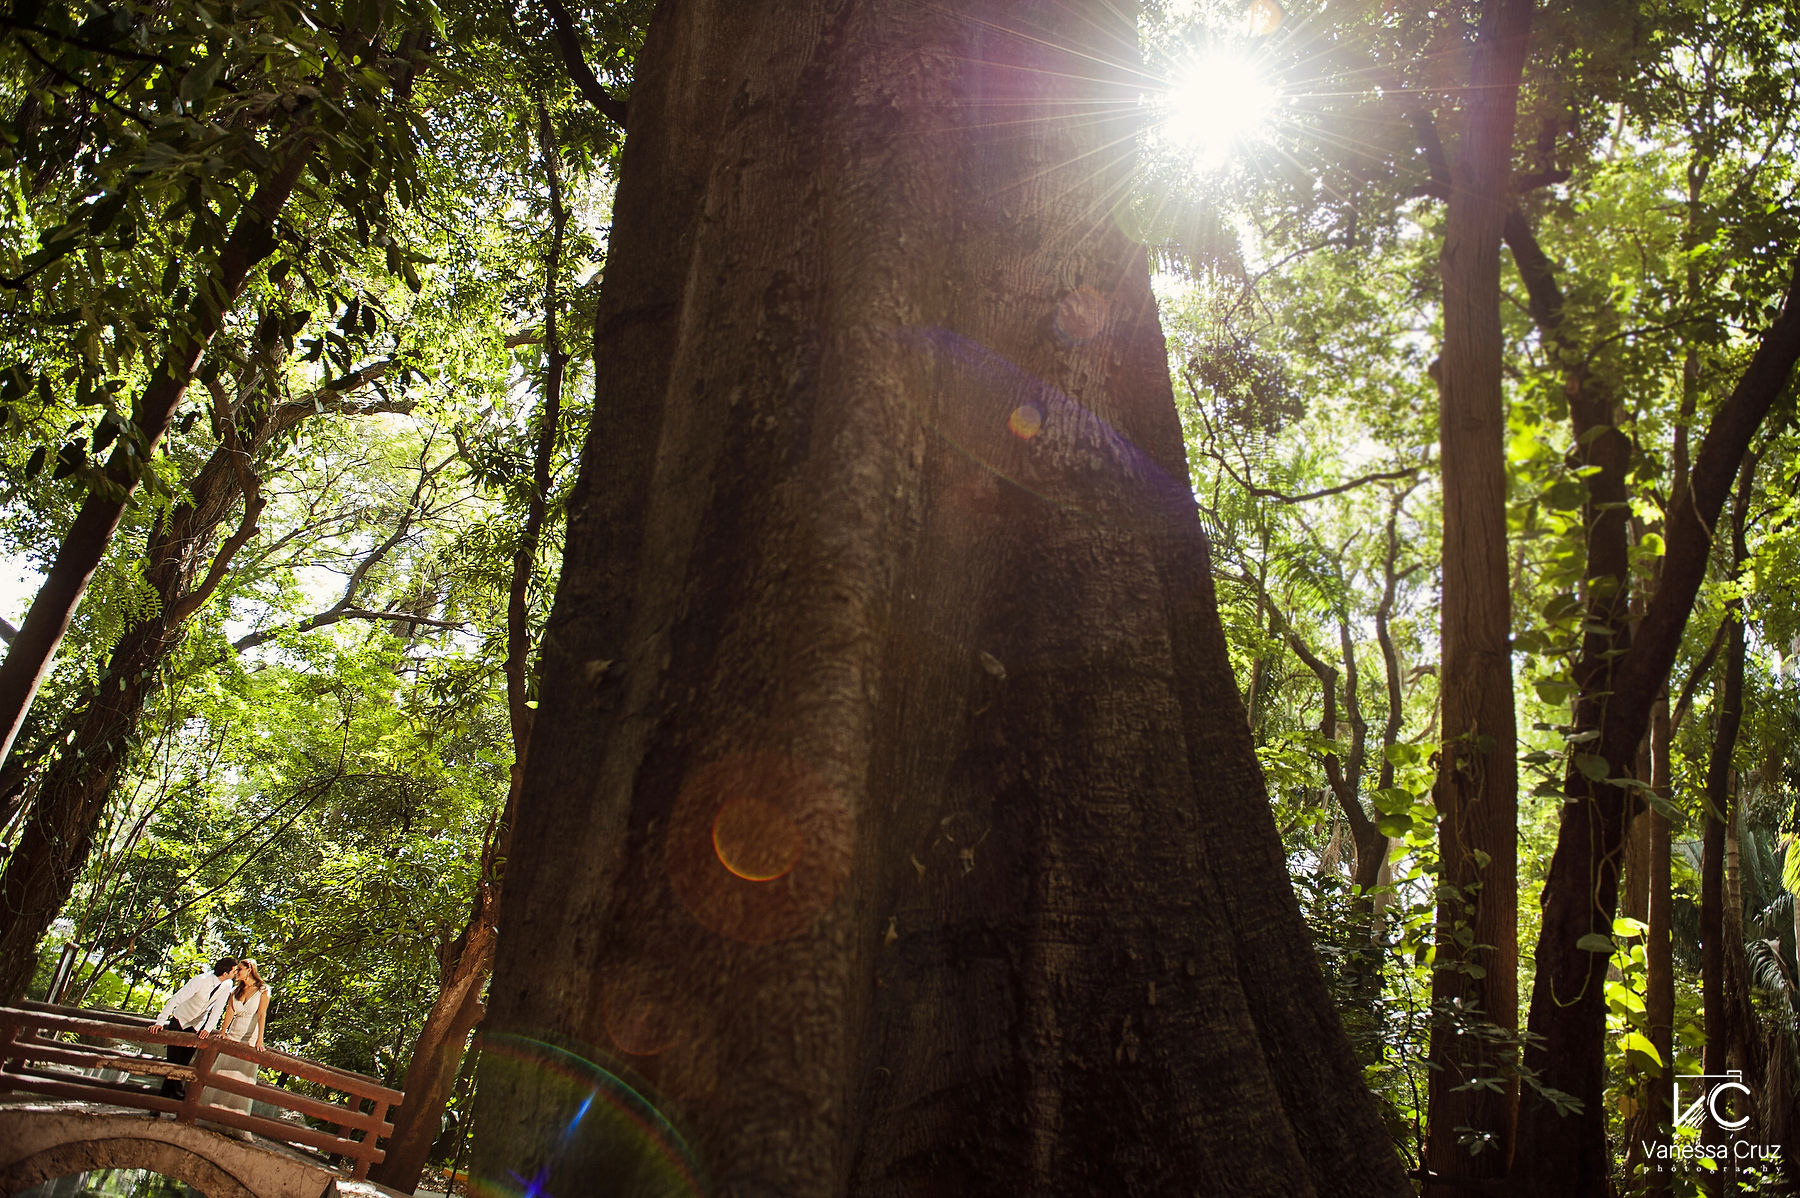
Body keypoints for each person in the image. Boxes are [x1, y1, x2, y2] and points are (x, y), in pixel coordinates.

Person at [202, 957, 271, 1140]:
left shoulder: (263, 990)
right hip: (233, 1036)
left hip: (250, 1039)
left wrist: (260, 1040)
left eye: (239, 969)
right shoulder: (235, 990)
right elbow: (230, 1012)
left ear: (249, 969)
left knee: (242, 1080)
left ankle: (235, 1121)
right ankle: (213, 1115)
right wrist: (223, 1032)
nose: (236, 972)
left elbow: (262, 1015)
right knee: (223, 1075)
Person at [152, 957, 237, 1104]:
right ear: (225, 972)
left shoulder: (227, 984)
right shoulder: (201, 980)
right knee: (173, 1064)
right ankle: (177, 1094)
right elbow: (176, 999)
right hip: (179, 1021)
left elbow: (217, 1009)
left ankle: (162, 1102)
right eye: (234, 971)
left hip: (196, 1027)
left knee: (182, 1065)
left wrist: (207, 1029)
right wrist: (160, 1021)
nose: (236, 973)